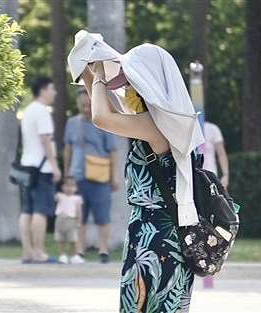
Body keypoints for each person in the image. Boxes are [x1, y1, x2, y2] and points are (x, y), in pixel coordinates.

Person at [67, 30, 204, 313]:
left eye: (131, 83)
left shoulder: (156, 126)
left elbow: (102, 117)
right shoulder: (164, 122)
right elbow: (111, 111)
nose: (127, 90)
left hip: (155, 236)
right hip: (159, 232)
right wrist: (91, 69)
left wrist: (102, 74)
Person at [63, 87, 119, 264]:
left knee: (102, 216)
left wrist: (113, 177)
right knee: (79, 217)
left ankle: (103, 250)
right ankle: (79, 251)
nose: (86, 109)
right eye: (82, 105)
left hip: (100, 176)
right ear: (78, 104)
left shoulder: (103, 122)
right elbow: (68, 148)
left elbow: (112, 151)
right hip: (77, 176)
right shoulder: (72, 123)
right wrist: (66, 174)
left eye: (89, 105)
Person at [19, 75, 61, 264]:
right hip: (42, 167)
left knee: (27, 209)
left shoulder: (28, 111)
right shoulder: (42, 111)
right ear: (43, 90)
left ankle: (27, 252)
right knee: (40, 210)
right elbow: (45, 139)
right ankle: (38, 252)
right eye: (52, 88)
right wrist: (54, 165)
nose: (54, 92)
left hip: (27, 164)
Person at [54, 176, 84, 264]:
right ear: (62, 187)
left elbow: (79, 211)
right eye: (67, 186)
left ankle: (75, 255)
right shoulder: (59, 196)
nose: (69, 188)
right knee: (61, 238)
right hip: (60, 220)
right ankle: (62, 255)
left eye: (72, 186)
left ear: (76, 188)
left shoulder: (77, 199)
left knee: (73, 239)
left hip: (72, 220)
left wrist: (79, 222)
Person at [203, 121, 229, 187]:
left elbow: (221, 153)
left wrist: (225, 175)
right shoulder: (187, 129)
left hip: (210, 173)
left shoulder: (212, 129)